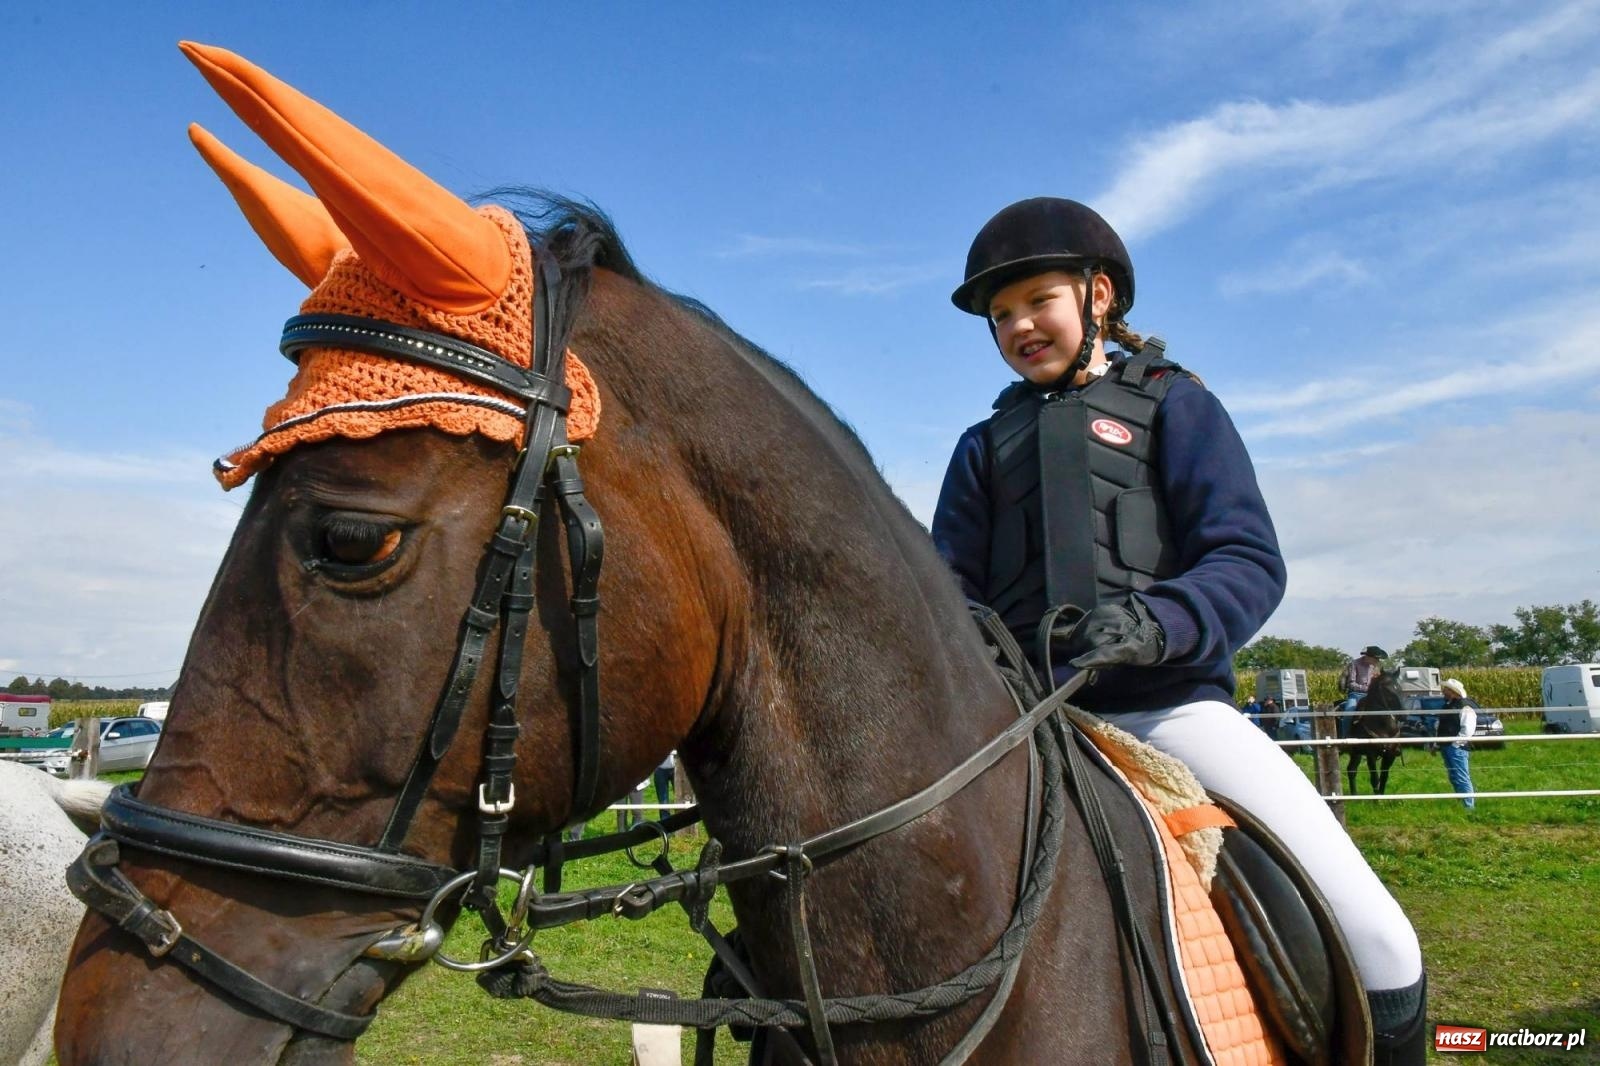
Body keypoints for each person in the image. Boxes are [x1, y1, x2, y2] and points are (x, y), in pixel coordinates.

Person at [931, 197, 1427, 1063]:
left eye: (1037, 301)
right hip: (1022, 726)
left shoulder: (1177, 408)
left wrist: (1160, 622)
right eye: (1000, 316)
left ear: (1099, 296)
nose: (1018, 326)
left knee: (1381, 940)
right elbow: (949, 589)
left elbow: (1248, 558)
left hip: (1169, 713)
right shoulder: (982, 446)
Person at [1438, 678, 1478, 810]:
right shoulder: (1448, 706)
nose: (1443, 691)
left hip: (1456, 747)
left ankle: (1469, 807)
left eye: (1446, 689)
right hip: (1446, 746)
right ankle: (1461, 802)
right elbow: (1440, 726)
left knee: (1461, 776)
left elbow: (1467, 729)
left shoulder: (1464, 706)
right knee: (1454, 776)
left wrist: (1455, 744)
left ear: (1453, 692)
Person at [1338, 645, 1387, 739]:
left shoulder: (1376, 667)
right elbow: (1351, 683)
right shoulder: (1354, 664)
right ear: (1368, 657)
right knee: (1349, 712)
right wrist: (1366, 688)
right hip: (1356, 695)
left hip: (1371, 696)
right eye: (1376, 659)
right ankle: (1345, 737)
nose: (1378, 661)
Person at [652, 751, 677, 821]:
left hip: (677, 767)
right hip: (660, 769)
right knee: (663, 799)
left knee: (680, 797)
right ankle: (666, 823)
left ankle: (681, 822)